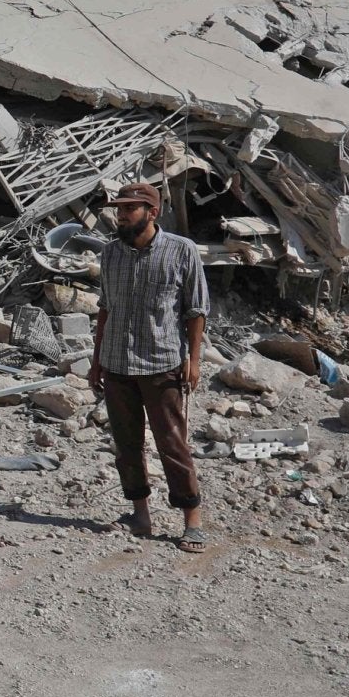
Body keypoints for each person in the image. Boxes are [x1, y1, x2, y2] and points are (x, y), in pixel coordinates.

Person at [88, 182, 211, 552]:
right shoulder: (111, 254)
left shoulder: (181, 251)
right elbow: (105, 308)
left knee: (172, 444)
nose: (121, 216)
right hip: (117, 364)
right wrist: (96, 362)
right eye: (119, 209)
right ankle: (140, 516)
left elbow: (196, 310)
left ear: (152, 212)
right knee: (127, 446)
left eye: (129, 209)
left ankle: (192, 521)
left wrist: (193, 361)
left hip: (161, 364)